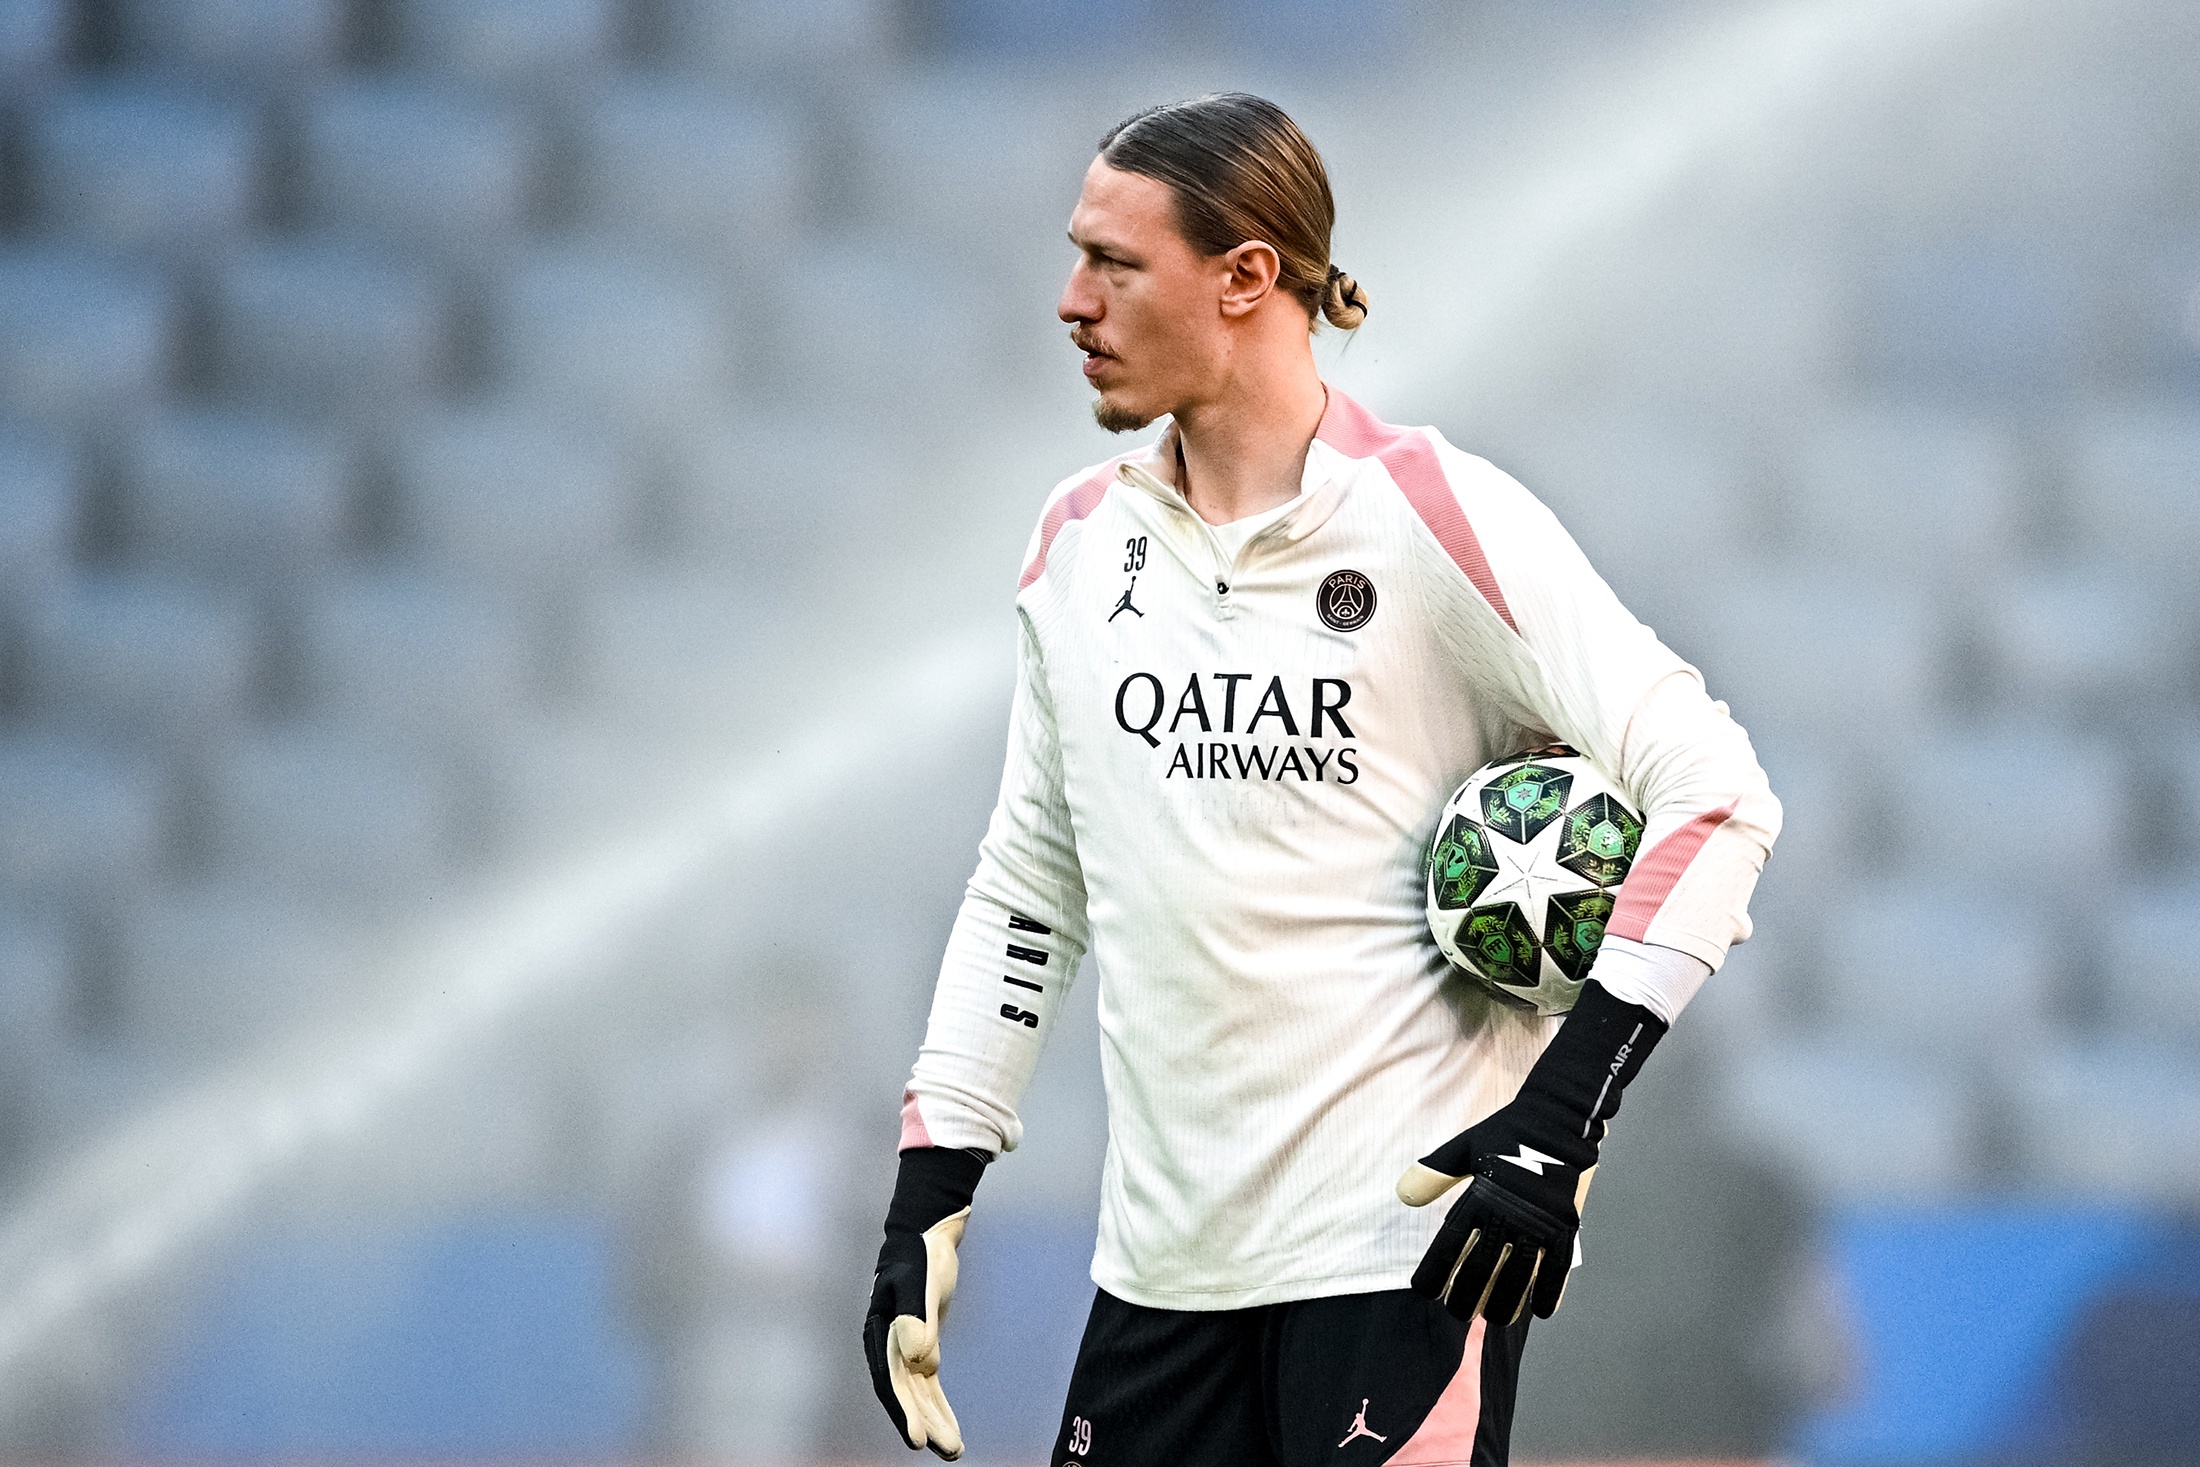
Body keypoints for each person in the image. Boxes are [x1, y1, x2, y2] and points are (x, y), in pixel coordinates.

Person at [863, 93, 1779, 1467]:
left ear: (1245, 276)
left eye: (1114, 263)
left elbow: (1716, 796)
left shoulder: (1432, 516)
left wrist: (1557, 1124)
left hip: (1397, 1263)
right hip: (1160, 1277)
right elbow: (1029, 889)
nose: (1071, 300)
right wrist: (929, 1192)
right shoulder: (1078, 542)